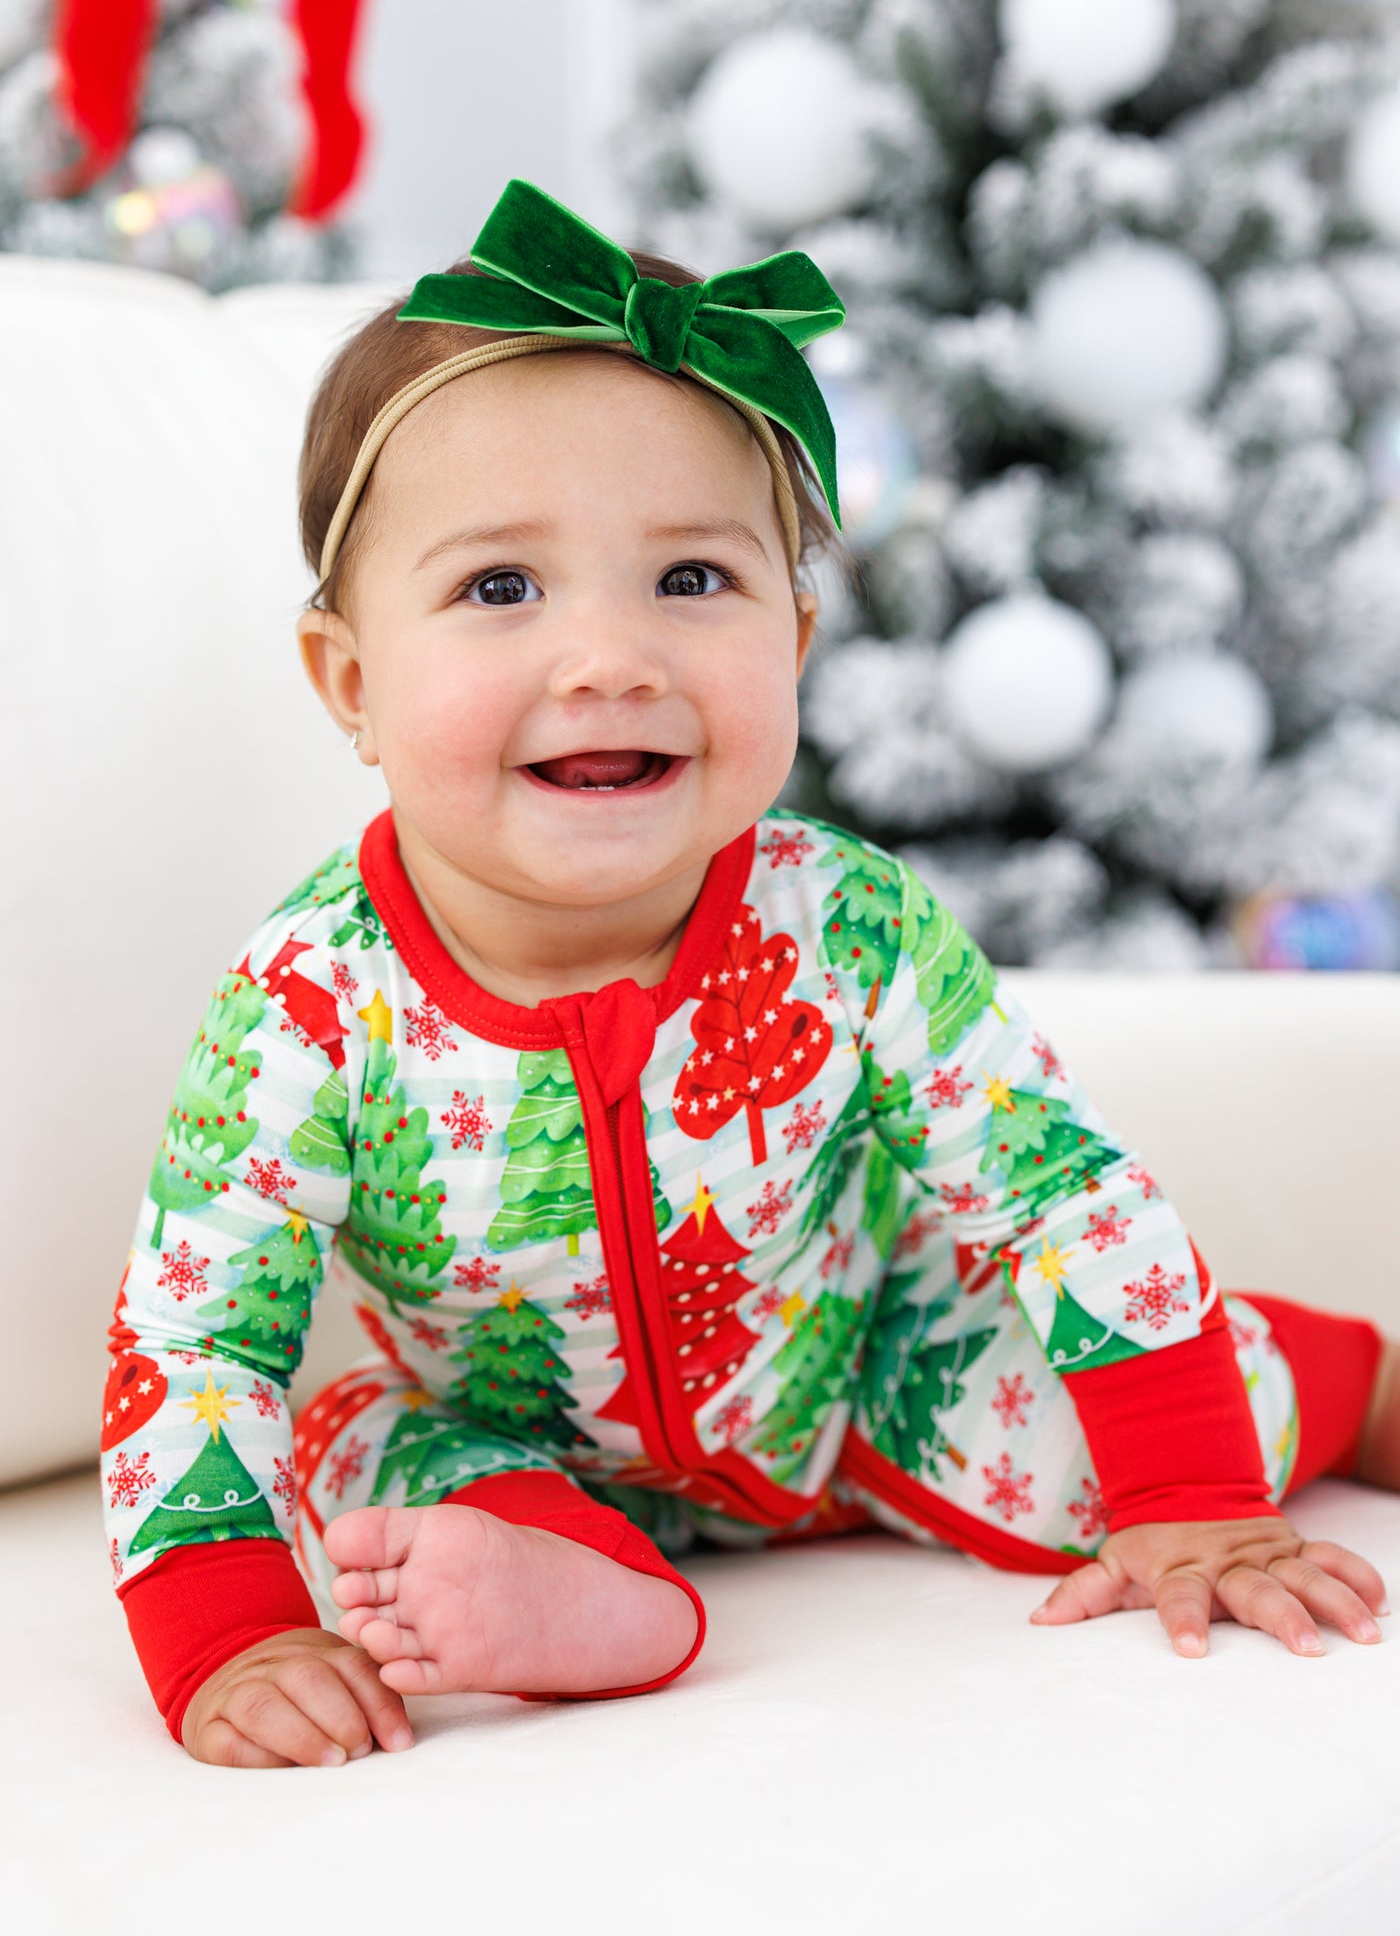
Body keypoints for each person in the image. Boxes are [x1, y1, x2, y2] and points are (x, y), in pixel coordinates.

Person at [102, 177, 1397, 1771]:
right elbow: (197, 1337)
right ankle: (594, 1598)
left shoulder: (842, 925)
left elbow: (1056, 1190)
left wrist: (1194, 1503)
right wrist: (227, 1632)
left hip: (858, 1368)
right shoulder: (305, 1006)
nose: (610, 658)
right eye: (502, 588)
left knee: (1133, 1425)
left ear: (790, 642)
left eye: (692, 580)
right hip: (499, 1431)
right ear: (354, 683)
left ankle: (1363, 1386)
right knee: (361, 1475)